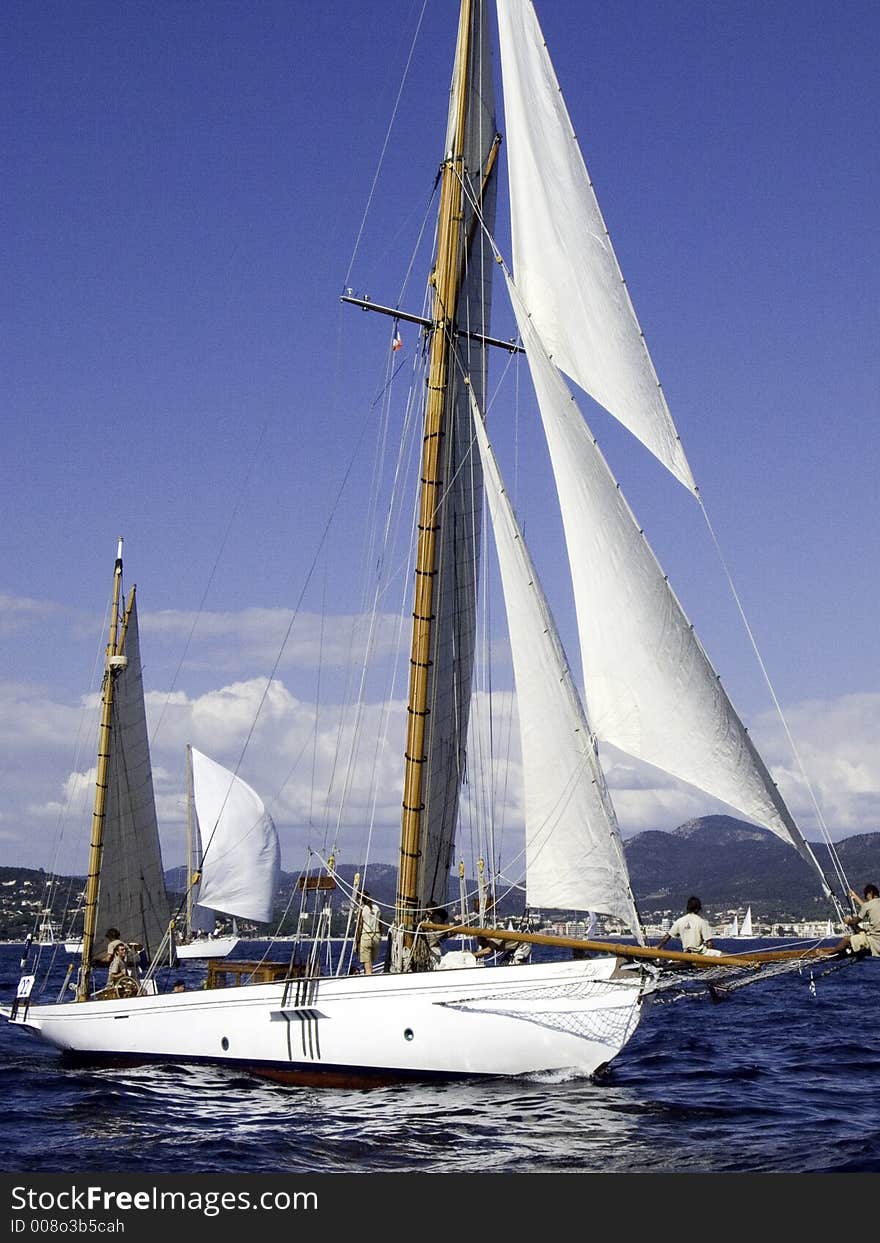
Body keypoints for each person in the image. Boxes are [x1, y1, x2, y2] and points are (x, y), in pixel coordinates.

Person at [656, 896, 721, 956]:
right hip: (700, 953)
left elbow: (667, 937)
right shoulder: (702, 922)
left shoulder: (679, 921)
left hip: (687, 952)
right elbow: (709, 943)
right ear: (698, 909)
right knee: (720, 954)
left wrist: (657, 947)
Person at [834, 884, 880, 958]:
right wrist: (855, 896)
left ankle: (831, 954)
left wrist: (848, 921)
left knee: (847, 939)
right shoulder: (874, 904)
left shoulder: (868, 905)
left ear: (870, 893)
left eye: (866, 896)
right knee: (861, 930)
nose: (866, 898)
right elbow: (867, 907)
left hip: (874, 941)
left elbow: (854, 922)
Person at [356, 891, 382, 975]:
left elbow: (360, 926)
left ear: (360, 899)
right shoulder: (377, 908)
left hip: (366, 936)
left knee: (367, 966)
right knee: (371, 962)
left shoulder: (363, 909)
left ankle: (368, 978)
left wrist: (357, 941)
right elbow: (380, 923)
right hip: (376, 935)